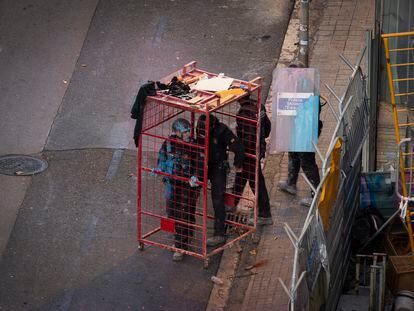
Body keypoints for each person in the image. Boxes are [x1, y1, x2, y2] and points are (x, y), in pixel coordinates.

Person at [277, 62, 323, 207]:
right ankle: (291, 183)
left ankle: (316, 195)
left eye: (291, 75)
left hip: (305, 130)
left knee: (307, 162)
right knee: (294, 154)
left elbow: (301, 106)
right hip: (298, 128)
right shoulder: (302, 83)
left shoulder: (304, 85)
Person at [196, 114, 245, 246]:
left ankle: (219, 233)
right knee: (190, 192)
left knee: (218, 199)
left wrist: (237, 165)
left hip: (218, 167)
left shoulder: (222, 130)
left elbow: (239, 148)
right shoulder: (200, 128)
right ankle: (185, 227)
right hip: (202, 164)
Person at [157, 118, 202, 261]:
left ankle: (181, 245)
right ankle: (184, 235)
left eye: (188, 131)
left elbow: (199, 164)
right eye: (184, 131)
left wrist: (196, 177)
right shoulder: (168, 144)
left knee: (184, 212)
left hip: (188, 186)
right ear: (176, 132)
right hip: (172, 184)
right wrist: (161, 169)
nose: (188, 134)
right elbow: (162, 159)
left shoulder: (193, 146)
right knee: (172, 212)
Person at [232, 97, 273, 225]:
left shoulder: (244, 113)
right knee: (241, 178)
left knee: (256, 182)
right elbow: (267, 127)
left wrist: (240, 153)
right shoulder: (259, 106)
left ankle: (265, 214)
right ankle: (231, 204)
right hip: (257, 149)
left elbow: (248, 139)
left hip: (249, 153)